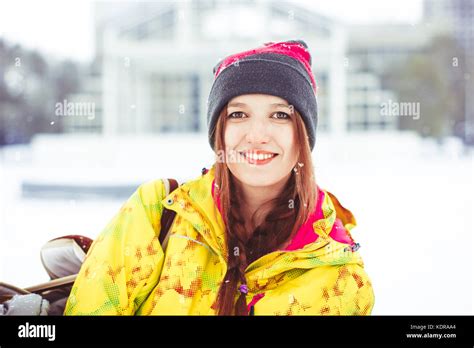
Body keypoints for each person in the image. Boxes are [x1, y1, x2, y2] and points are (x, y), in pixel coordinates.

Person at [64, 40, 375, 316]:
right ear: (219, 133)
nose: (257, 135)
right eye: (238, 114)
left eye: (280, 115)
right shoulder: (159, 212)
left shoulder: (340, 277)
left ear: (303, 138)